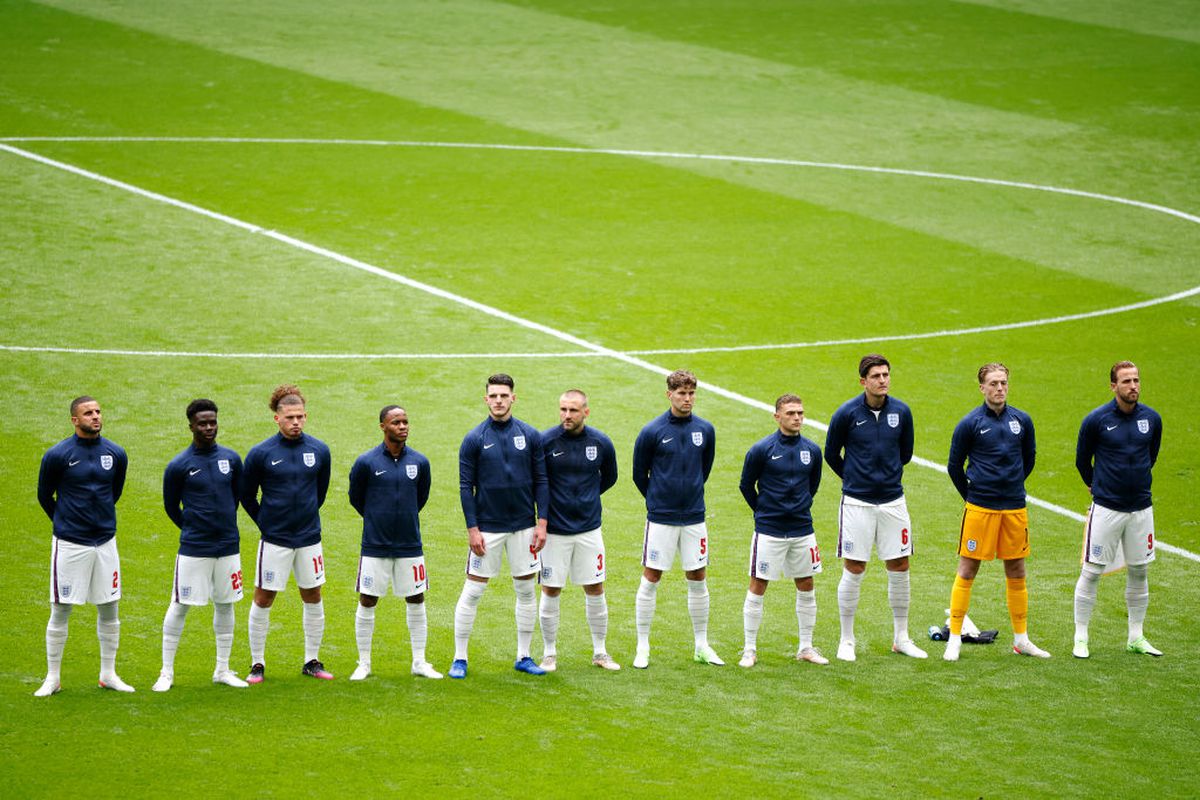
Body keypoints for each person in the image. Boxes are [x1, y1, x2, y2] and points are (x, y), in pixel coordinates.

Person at [823, 355, 926, 661]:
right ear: (863, 381)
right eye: (876, 376)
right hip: (857, 502)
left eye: (886, 375)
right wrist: (855, 478)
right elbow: (831, 454)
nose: (883, 380)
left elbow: (905, 453)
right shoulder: (847, 413)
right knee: (855, 568)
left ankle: (901, 637)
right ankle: (846, 639)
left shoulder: (902, 412)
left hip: (894, 501)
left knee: (900, 565)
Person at [945, 363, 1049, 661]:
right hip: (980, 509)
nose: (999, 388)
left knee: (1016, 570)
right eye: (993, 383)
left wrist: (1011, 486)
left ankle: (1021, 639)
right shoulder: (970, 423)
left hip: (1015, 508)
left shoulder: (1022, 420)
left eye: (1003, 382)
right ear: (982, 387)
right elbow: (954, 466)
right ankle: (954, 637)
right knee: (968, 569)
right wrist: (973, 495)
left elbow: (1029, 458)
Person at [450, 374, 549, 678]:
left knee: (526, 590)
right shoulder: (474, 438)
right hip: (488, 529)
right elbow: (466, 487)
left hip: (523, 527)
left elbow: (542, 480)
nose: (498, 401)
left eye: (503, 396)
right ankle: (460, 658)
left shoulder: (531, 435)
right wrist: (472, 529)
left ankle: (524, 655)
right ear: (486, 399)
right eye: (493, 396)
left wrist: (542, 522)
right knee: (473, 591)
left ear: (513, 398)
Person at [34, 396, 133, 696]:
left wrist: (96, 521)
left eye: (98, 411)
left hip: (105, 542)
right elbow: (44, 495)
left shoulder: (116, 453)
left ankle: (108, 674)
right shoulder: (58, 455)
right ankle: (53, 677)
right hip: (70, 543)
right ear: (74, 420)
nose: (96, 417)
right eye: (88, 413)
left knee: (109, 608)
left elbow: (113, 492)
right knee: (61, 608)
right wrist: (66, 522)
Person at [153, 399, 249, 692]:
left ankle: (222, 668)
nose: (209, 428)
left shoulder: (231, 459)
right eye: (203, 423)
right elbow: (171, 506)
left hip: (228, 546)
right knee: (180, 605)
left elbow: (236, 498)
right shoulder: (179, 465)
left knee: (226, 603)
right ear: (191, 426)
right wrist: (193, 527)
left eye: (213, 422)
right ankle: (166, 672)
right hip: (195, 548)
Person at [240, 384, 333, 683]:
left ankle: (312, 661)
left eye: (300, 417)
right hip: (275, 540)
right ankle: (257, 663)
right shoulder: (261, 453)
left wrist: (304, 517)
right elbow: (247, 495)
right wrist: (265, 522)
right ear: (276, 419)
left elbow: (320, 493)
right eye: (290, 417)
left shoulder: (319, 450)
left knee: (313, 595)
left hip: (309, 539)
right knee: (264, 597)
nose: (296, 422)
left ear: (306, 417)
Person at [1072, 361, 1164, 659]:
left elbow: (1151, 456)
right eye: (1126, 381)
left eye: (1136, 380)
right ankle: (1081, 637)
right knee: (1092, 571)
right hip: (1107, 509)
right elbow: (1082, 461)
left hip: (1141, 509)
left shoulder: (1152, 419)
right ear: (1113, 386)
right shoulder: (1096, 420)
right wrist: (1097, 485)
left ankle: (1136, 637)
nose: (1133, 386)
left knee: (1139, 570)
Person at [632, 369, 723, 668]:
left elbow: (704, 469)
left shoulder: (705, 430)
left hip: (695, 517)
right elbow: (638, 474)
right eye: (682, 393)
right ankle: (642, 647)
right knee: (652, 576)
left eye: (691, 393)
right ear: (669, 394)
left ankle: (701, 645)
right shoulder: (652, 431)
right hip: (661, 518)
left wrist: (689, 494)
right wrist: (659, 500)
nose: (687, 399)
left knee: (698, 577)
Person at [347, 405, 442, 680]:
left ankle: (419, 661)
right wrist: (377, 517)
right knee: (368, 599)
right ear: (383, 427)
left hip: (410, 544)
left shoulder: (420, 462)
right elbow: (356, 498)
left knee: (416, 597)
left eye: (405, 422)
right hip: (375, 544)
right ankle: (363, 663)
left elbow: (420, 497)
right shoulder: (366, 462)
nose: (403, 426)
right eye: (396, 422)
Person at [738, 394, 828, 668]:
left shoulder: (812, 450)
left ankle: (806, 647)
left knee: (806, 585)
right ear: (777, 416)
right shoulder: (761, 449)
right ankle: (749, 649)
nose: (797, 417)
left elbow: (813, 485)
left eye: (800, 412)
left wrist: (797, 508)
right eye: (790, 413)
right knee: (758, 585)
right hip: (769, 530)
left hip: (802, 529)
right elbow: (746, 485)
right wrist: (764, 512)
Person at [538, 390, 621, 672]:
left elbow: (610, 477)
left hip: (589, 530)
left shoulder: (600, 443)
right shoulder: (545, 442)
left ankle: (600, 651)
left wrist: (586, 498)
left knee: (595, 588)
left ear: (586, 411)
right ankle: (549, 653)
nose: (566, 416)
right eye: (562, 409)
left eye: (573, 410)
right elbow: (538, 482)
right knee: (551, 589)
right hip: (556, 533)